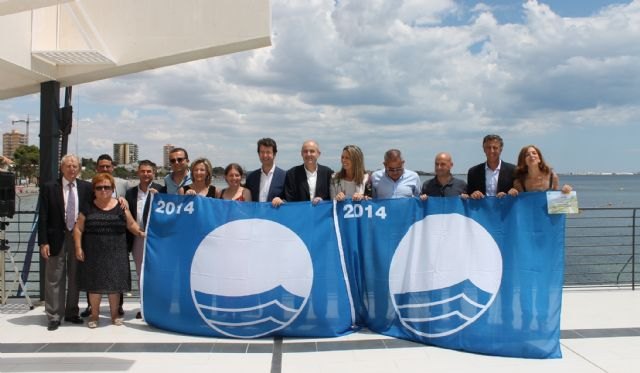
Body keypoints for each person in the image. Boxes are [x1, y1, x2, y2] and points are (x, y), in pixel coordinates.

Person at [74, 173, 144, 328]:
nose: (103, 190)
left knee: (115, 286)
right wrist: (78, 247)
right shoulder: (87, 206)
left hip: (116, 252)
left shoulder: (121, 206)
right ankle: (94, 316)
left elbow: (131, 224)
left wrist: (141, 233)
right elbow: (78, 229)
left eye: (107, 187)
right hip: (93, 252)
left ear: (113, 189)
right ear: (94, 190)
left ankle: (114, 316)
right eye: (99, 187)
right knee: (94, 287)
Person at [38, 154, 93, 331]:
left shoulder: (87, 187)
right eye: (68, 166)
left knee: (75, 275)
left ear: (79, 169)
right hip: (56, 237)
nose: (72, 169)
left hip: (78, 236)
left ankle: (71, 312)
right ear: (61, 168)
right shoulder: (49, 187)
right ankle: (54, 315)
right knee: (54, 277)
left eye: (75, 166)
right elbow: (43, 216)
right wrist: (43, 241)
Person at [81, 154, 129, 318]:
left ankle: (118, 307)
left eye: (108, 166)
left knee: (117, 273)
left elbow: (128, 206)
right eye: (102, 166)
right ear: (97, 168)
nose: (105, 169)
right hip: (94, 237)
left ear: (113, 167)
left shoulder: (124, 183)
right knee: (93, 274)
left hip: (117, 238)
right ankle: (91, 308)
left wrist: (124, 200)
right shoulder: (89, 186)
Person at [125, 160, 162, 319]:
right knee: (141, 274)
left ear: (154, 173)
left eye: (149, 171)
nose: (146, 174)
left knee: (157, 273)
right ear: (138, 173)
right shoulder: (131, 193)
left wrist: (159, 197)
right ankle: (144, 306)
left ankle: (158, 306)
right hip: (138, 238)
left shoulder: (161, 190)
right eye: (143, 171)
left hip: (157, 239)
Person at [278, 140, 333, 206]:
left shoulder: (328, 173)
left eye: (312, 151)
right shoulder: (292, 174)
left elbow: (332, 197)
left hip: (322, 214)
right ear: (301, 154)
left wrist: (322, 201)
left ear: (318, 154)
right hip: (300, 214)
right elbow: (289, 199)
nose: (308, 154)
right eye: (305, 151)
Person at [508, 145, 572, 196]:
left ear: (539, 159)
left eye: (534, 153)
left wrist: (565, 190)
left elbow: (556, 200)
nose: (531, 155)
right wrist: (512, 193)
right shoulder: (519, 182)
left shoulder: (552, 177)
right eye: (527, 155)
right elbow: (519, 203)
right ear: (523, 161)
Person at [466, 134, 516, 199]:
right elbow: (468, 195)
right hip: (482, 208)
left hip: (505, 208)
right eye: (488, 148)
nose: (491, 151)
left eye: (495, 148)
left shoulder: (513, 170)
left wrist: (513, 192)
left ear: (501, 149)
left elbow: (519, 193)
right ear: (484, 149)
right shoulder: (473, 172)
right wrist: (473, 194)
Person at [245, 138, 286, 205]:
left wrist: (282, 201)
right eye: (262, 152)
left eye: (268, 152)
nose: (265, 155)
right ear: (258, 154)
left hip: (275, 214)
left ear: (274, 154)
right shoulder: (250, 177)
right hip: (256, 215)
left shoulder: (284, 176)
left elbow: (290, 199)